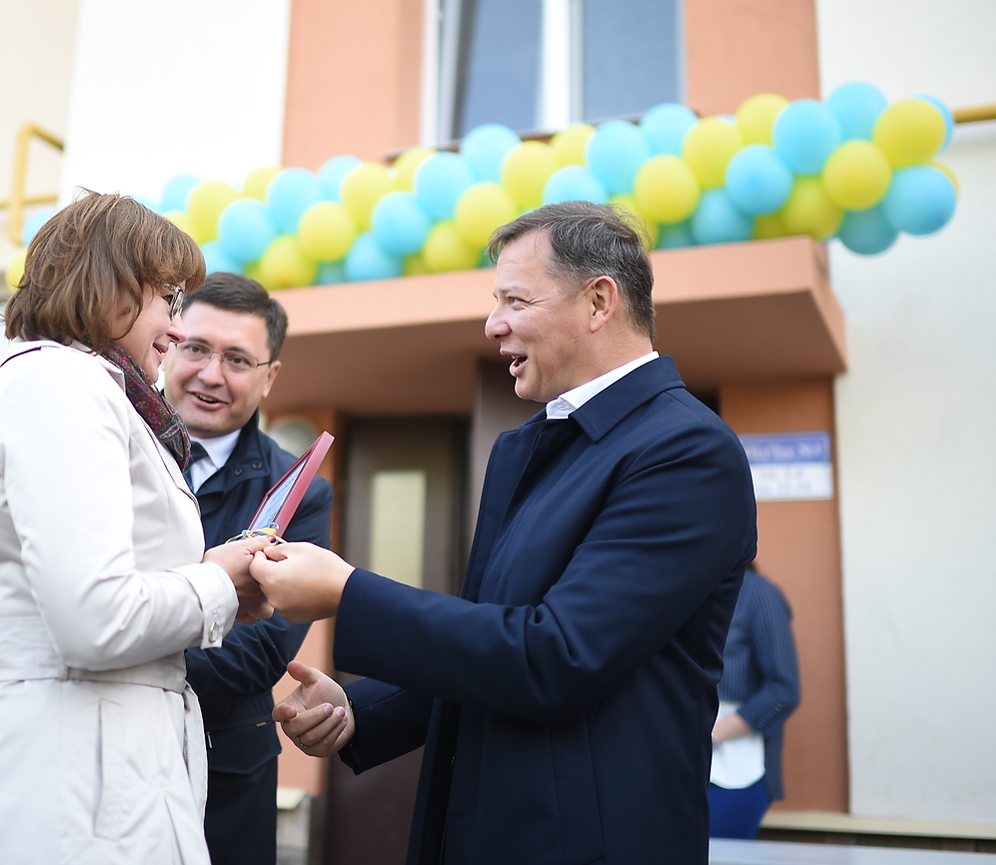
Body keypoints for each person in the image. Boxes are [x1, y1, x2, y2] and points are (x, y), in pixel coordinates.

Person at [250, 202, 758, 865]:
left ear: (598, 301)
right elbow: (493, 642)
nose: (493, 324)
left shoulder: (687, 451)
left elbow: (557, 657)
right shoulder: (529, 447)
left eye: (514, 300)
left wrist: (347, 592)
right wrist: (357, 709)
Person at [0, 192, 272, 865]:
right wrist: (218, 582)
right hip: (54, 779)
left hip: (77, 764)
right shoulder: (62, 384)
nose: (176, 326)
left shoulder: (77, 388)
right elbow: (95, 617)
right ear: (112, 285)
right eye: (168, 299)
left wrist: (216, 581)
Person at [161, 273, 333, 865]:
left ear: (270, 376)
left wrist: (114, 641)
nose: (211, 375)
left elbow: (262, 650)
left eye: (237, 359)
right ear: (169, 345)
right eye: (196, 348)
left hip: (223, 775)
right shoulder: (112, 450)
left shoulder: (300, 492)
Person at [709, 564, 800, 839]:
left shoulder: (758, 593)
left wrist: (711, 736)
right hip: (675, 760)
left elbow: (783, 690)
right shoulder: (680, 589)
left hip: (735, 765)